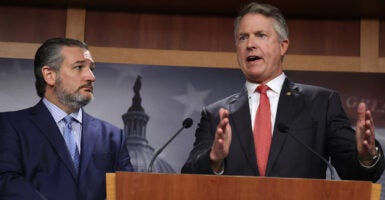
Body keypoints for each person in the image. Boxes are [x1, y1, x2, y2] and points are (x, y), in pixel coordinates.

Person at [181, 2, 385, 181]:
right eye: (243, 38)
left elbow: (356, 173)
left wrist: (367, 156)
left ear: (283, 46)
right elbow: (189, 177)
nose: (250, 44)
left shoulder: (321, 103)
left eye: (261, 35)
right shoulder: (215, 114)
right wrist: (214, 159)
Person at [0, 38, 134, 200]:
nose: (91, 77)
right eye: (79, 67)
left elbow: (127, 190)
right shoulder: (10, 126)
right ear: (49, 75)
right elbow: (6, 181)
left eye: (91, 69)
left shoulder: (114, 136)